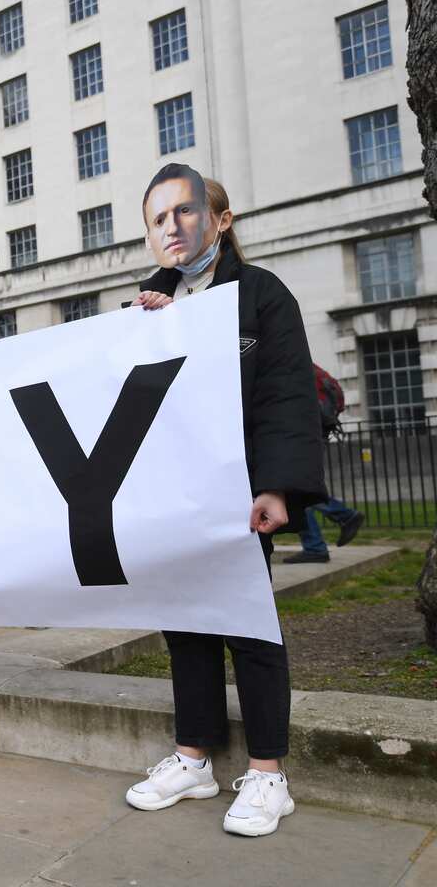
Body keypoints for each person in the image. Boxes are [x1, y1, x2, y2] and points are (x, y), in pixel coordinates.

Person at [131, 166, 325, 837]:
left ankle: (268, 773)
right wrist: (151, 330)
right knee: (184, 623)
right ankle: (194, 758)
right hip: (177, 496)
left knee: (249, 626)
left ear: (222, 219)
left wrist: (277, 485)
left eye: (186, 211)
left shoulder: (263, 295)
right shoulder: (145, 307)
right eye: (158, 220)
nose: (173, 228)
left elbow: (285, 393)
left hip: (240, 495)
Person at [284, 364, 364, 563]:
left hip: (299, 431)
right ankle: (319, 542)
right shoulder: (299, 360)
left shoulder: (279, 361)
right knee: (297, 488)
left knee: (295, 488)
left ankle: (319, 542)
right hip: (314, 430)